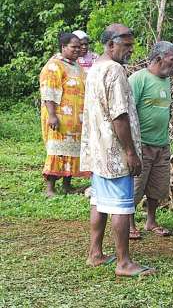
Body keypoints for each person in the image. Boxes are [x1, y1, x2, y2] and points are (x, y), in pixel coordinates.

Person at [80, 23, 155, 277]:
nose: (131, 50)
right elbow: (119, 116)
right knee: (122, 205)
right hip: (114, 152)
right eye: (126, 45)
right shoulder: (115, 71)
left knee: (99, 202)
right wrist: (130, 152)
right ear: (111, 44)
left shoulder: (95, 68)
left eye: (132, 45)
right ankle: (124, 263)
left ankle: (95, 253)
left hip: (99, 151)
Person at [128, 41, 173, 240]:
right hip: (141, 144)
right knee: (135, 187)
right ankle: (130, 224)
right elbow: (128, 112)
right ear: (159, 59)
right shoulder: (138, 79)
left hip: (161, 144)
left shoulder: (166, 81)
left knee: (157, 187)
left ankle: (151, 221)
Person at [39, 32, 90, 197]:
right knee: (57, 150)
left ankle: (68, 185)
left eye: (80, 46)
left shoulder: (77, 66)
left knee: (73, 152)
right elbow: (49, 92)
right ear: (63, 47)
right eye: (74, 47)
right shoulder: (54, 66)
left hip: (76, 119)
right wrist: (52, 115)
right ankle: (50, 189)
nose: (78, 49)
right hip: (60, 117)